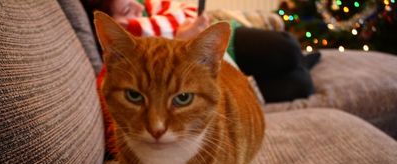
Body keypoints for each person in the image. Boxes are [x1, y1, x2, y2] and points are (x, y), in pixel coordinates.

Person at [82, 0, 321, 103]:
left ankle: (299, 61)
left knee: (288, 47)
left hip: (226, 48)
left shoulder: (151, 10)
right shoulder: (127, 45)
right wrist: (179, 43)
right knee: (301, 84)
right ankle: (299, 65)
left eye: (134, 3)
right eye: (127, 10)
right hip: (206, 65)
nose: (138, 10)